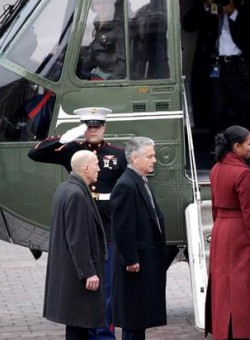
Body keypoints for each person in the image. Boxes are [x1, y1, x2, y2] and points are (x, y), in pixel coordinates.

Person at [29, 107, 126, 340]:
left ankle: (102, 334)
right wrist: (64, 138)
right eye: (88, 126)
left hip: (107, 230)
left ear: (104, 127)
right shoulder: (73, 150)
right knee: (83, 288)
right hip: (82, 225)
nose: (92, 131)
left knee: (105, 292)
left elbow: (125, 191)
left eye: (96, 126)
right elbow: (35, 154)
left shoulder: (118, 153)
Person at [206, 125, 250, 339]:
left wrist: (219, 231)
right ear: (237, 147)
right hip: (240, 233)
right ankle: (239, 332)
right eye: (249, 143)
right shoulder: (243, 173)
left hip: (221, 231)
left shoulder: (216, 169)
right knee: (243, 291)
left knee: (223, 288)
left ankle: (225, 331)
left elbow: (215, 207)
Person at [43, 150, 107, 340]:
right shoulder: (77, 194)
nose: (99, 168)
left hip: (69, 271)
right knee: (79, 326)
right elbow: (77, 238)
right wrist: (89, 272)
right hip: (77, 274)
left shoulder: (65, 188)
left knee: (76, 325)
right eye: (96, 164)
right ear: (86, 168)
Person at [110, 137, 167, 340]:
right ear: (135, 158)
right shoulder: (126, 185)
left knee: (138, 318)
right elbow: (122, 226)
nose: (154, 160)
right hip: (134, 264)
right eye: (150, 156)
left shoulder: (139, 180)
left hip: (143, 260)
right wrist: (131, 258)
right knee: (133, 319)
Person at [209, 0, 250, 133]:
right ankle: (220, 145)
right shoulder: (211, 12)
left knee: (245, 105)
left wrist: (232, 11)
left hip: (238, 64)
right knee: (218, 106)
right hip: (217, 65)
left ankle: (247, 146)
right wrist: (207, 5)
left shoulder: (245, 11)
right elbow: (190, 25)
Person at [78, 0, 126, 80]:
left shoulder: (119, 28)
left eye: (105, 3)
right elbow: (97, 48)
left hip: (108, 76)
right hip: (97, 68)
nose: (101, 7)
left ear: (112, 4)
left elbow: (124, 62)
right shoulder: (99, 22)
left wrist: (109, 82)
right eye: (97, 4)